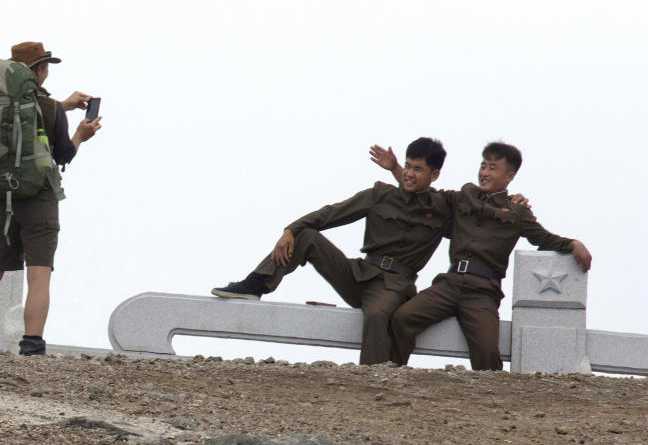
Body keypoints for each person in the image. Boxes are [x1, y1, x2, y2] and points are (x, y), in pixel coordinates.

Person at [211, 138, 452, 365]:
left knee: (378, 315)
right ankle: (255, 285)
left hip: (393, 286)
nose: (409, 173)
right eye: (407, 166)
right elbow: (332, 213)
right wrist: (291, 229)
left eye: (418, 169)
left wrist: (396, 170)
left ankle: (373, 378)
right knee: (307, 236)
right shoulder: (380, 194)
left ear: (435, 174)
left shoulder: (442, 208)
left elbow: (468, 217)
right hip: (358, 274)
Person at [0, 41, 102, 355]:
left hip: (2, 197)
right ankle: (32, 345)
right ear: (38, 70)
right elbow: (63, 153)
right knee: (39, 276)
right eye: (46, 66)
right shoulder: (49, 109)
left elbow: (31, 119)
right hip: (38, 199)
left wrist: (64, 105)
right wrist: (81, 134)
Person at [374, 141, 592, 370]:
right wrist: (395, 169)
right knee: (402, 317)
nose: (485, 173)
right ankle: (393, 375)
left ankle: (490, 402)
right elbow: (424, 193)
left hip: (482, 292)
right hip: (448, 285)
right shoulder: (461, 198)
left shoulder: (517, 212)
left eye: (492, 168)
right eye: (483, 166)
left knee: (487, 352)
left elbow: (543, 238)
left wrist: (573, 244)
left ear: (509, 176)